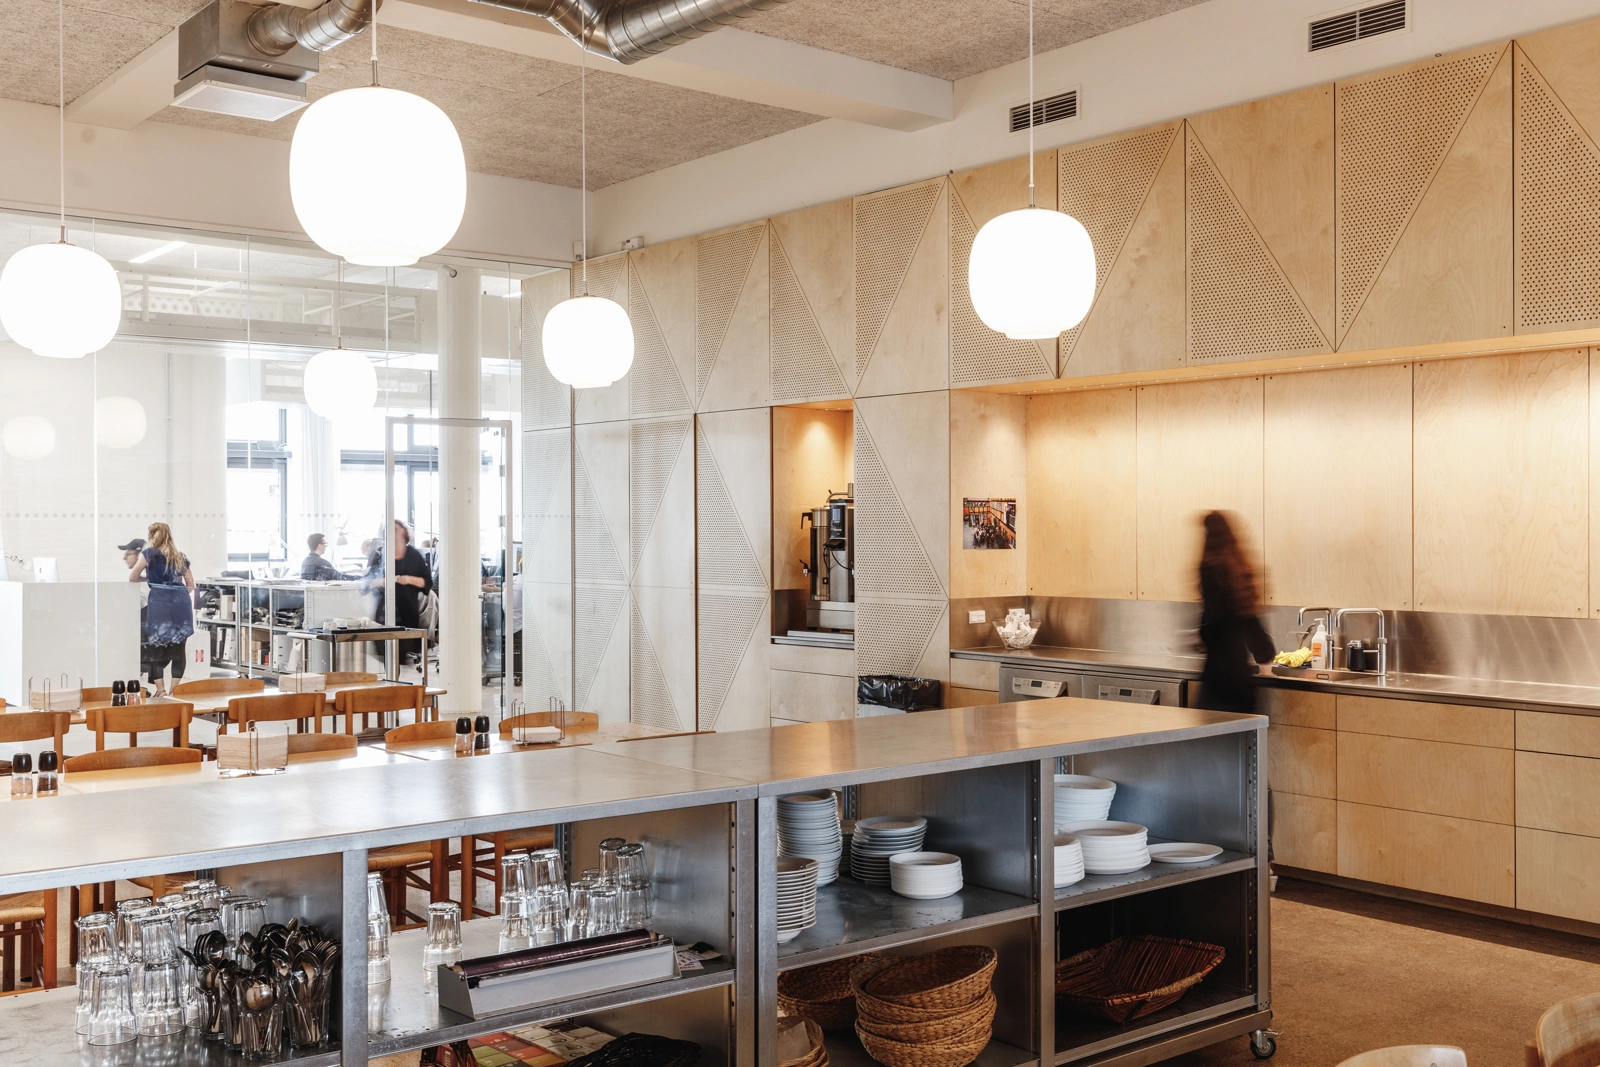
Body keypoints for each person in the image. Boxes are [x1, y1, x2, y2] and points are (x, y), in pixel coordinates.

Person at [1195, 510, 1275, 714]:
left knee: (1209, 734)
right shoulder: (1239, 572)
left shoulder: (1209, 569)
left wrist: (1200, 636)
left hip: (1217, 682)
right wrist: (1265, 657)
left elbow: (1211, 621)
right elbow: (1252, 624)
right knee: (1245, 735)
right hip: (1242, 684)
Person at [127, 523, 196, 694]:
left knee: (155, 647)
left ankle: (161, 690)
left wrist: (151, 581)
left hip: (159, 602)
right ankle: (175, 690)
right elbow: (190, 584)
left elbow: (133, 577)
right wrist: (177, 595)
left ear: (152, 536)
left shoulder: (149, 554)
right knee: (179, 648)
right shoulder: (180, 556)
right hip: (181, 603)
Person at [365, 520, 433, 666]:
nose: (391, 532)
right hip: (384, 610)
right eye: (388, 530)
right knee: (384, 654)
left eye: (395, 529)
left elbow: (427, 582)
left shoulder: (414, 555)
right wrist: (381, 581)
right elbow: (367, 582)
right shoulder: (379, 554)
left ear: (404, 532)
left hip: (407, 609)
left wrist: (408, 579)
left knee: (402, 653)